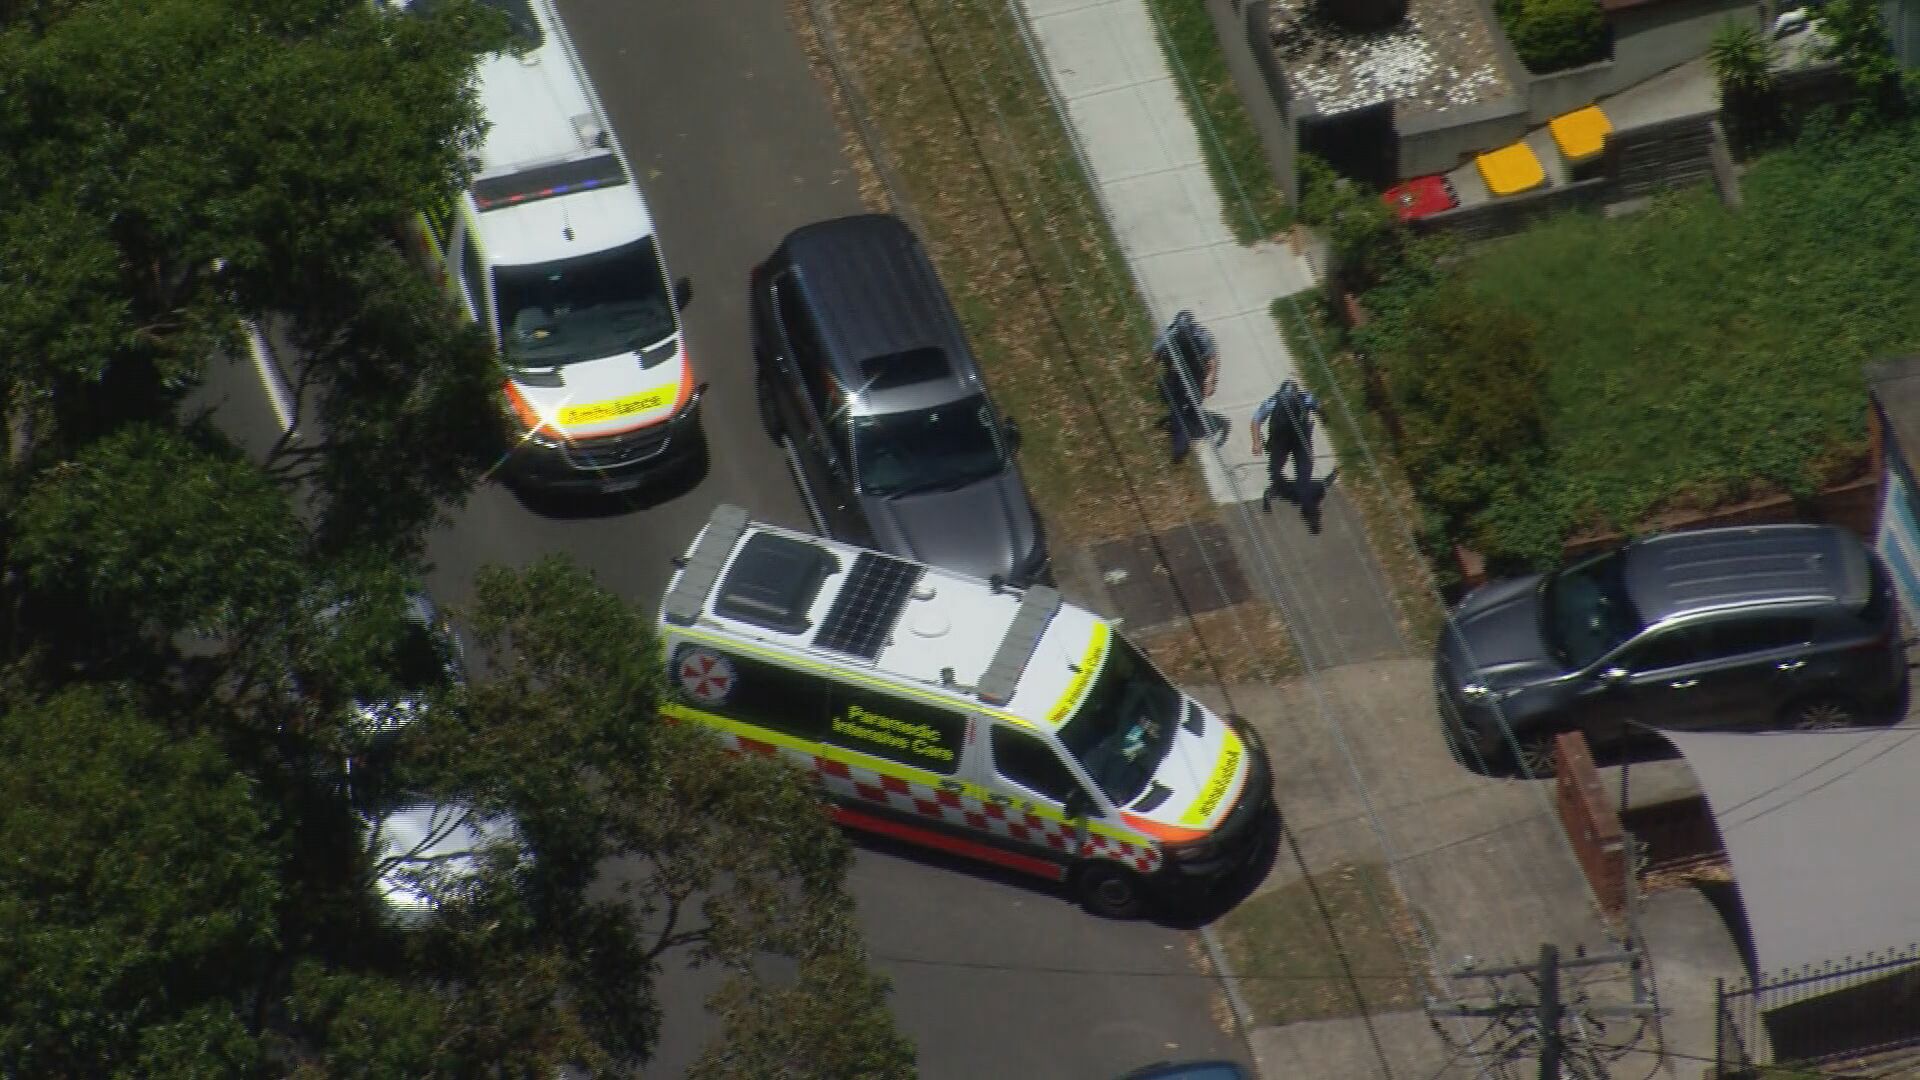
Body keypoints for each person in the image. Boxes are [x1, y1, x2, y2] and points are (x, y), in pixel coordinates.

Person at [1153, 310, 1226, 463]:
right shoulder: (1196, 334)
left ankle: (1180, 445)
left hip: (1194, 374)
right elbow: (1157, 351)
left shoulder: (1192, 335)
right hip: (1181, 374)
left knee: (1183, 408)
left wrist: (1211, 382)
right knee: (1180, 407)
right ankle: (1179, 433)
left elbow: (1212, 360)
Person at [1252, 378, 1323, 513]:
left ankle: (1298, 494)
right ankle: (1280, 490)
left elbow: (1256, 420)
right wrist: (1256, 442)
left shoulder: (1277, 401)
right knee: (1286, 469)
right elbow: (1256, 420)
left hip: (1289, 440)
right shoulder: (1302, 398)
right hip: (1288, 439)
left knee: (1295, 469)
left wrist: (1257, 442)